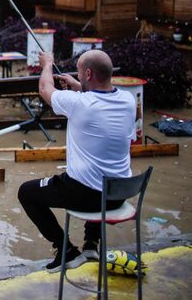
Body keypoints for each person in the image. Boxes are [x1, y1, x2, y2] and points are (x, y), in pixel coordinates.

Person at [18, 50, 135, 272]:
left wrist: (47, 64)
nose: (79, 77)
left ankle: (66, 251)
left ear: (88, 73)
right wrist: (77, 85)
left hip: (88, 196)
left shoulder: (79, 104)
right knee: (99, 173)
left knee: (26, 192)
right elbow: (98, 98)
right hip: (119, 194)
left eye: (80, 73)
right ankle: (91, 245)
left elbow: (45, 89)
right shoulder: (127, 100)